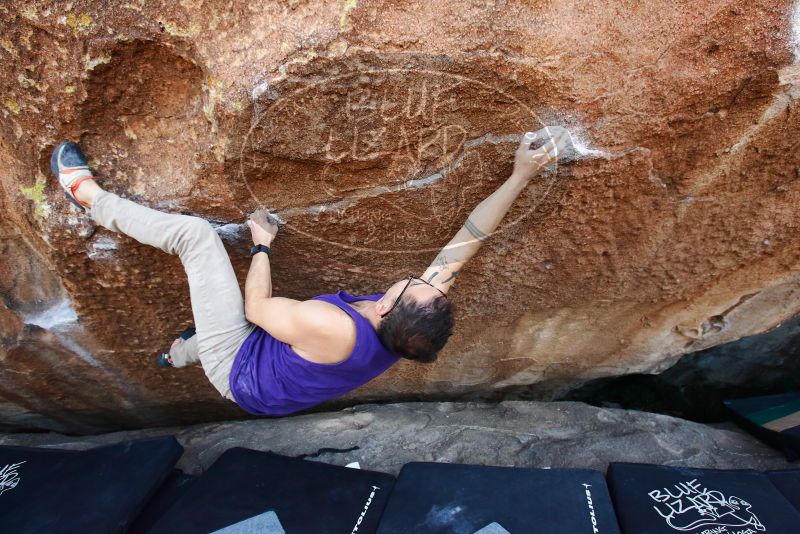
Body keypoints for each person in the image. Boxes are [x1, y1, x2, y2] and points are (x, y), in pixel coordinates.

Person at [50, 127, 569, 416]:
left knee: (197, 238)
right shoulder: (403, 328)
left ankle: (86, 196)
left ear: (387, 307)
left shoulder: (337, 328)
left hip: (237, 369)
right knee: (240, 325)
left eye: (421, 285)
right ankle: (177, 353)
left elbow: (256, 308)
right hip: (277, 365)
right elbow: (469, 240)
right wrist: (522, 173)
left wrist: (261, 245)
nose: (427, 278)